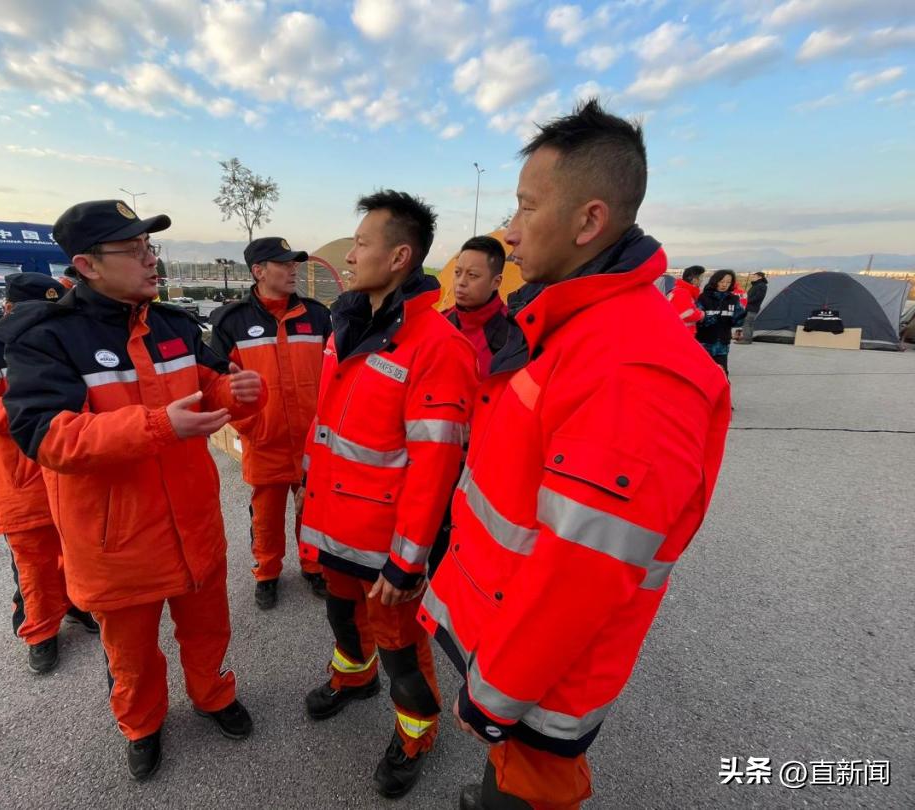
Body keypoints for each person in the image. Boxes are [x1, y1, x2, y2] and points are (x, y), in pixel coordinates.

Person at [416, 99, 731, 810]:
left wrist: (493, 697)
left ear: (590, 221)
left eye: (526, 207)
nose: (510, 229)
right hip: (509, 646)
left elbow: (584, 571)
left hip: (537, 684)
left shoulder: (632, 367)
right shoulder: (571, 323)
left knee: (532, 795)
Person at [0, 200, 268, 781]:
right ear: (86, 265)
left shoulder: (173, 325)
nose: (152, 261)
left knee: (208, 629)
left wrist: (239, 391)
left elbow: (206, 388)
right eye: (136, 251)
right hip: (116, 543)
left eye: (151, 248)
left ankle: (215, 695)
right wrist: (157, 424)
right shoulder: (45, 338)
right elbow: (47, 437)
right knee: (131, 654)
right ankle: (142, 725)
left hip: (193, 525)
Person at [298, 190, 478, 799]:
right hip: (334, 525)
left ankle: (416, 730)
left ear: (400, 256)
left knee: (400, 644)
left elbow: (435, 467)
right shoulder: (347, 323)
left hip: (386, 545)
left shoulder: (437, 347)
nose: (350, 255)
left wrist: (407, 564)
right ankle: (353, 677)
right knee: (341, 613)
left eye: (362, 243)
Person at [0, 273, 97, 674]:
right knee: (33, 564)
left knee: (79, 551)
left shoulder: (66, 342)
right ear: (8, 309)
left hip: (71, 472)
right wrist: (30, 406)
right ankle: (40, 631)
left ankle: (78, 605)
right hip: (20, 482)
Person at [210, 237, 332, 610]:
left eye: (294, 262)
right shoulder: (233, 321)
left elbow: (334, 372)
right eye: (283, 263)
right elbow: (217, 384)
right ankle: (267, 572)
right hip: (265, 440)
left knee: (313, 507)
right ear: (259, 271)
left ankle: (313, 566)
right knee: (265, 515)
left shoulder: (317, 315)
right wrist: (252, 427)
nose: (293, 269)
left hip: (313, 438)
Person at [443, 235, 512, 377]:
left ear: (496, 282)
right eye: (457, 272)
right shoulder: (441, 321)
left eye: (472, 275)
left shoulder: (512, 333)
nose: (461, 282)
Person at [696, 269, 745, 376]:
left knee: (722, 375)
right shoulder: (703, 298)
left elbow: (738, 320)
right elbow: (697, 319)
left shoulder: (733, 299)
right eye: (722, 281)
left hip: (722, 344)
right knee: (702, 375)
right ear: (715, 281)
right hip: (704, 342)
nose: (725, 285)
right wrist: (713, 316)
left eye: (728, 282)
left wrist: (740, 322)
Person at [667, 265, 705, 331]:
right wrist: (701, 314)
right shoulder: (682, 292)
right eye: (701, 278)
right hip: (681, 332)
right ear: (694, 280)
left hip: (682, 331)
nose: (702, 281)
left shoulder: (682, 290)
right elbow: (687, 314)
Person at [737, 271, 767, 343]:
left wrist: (747, 301)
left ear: (760, 277)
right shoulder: (756, 285)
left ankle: (746, 339)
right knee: (749, 324)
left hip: (753, 307)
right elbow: (748, 295)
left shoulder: (761, 285)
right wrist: (739, 297)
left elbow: (758, 297)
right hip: (750, 307)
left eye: (754, 276)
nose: (752, 278)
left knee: (747, 323)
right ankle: (748, 339)